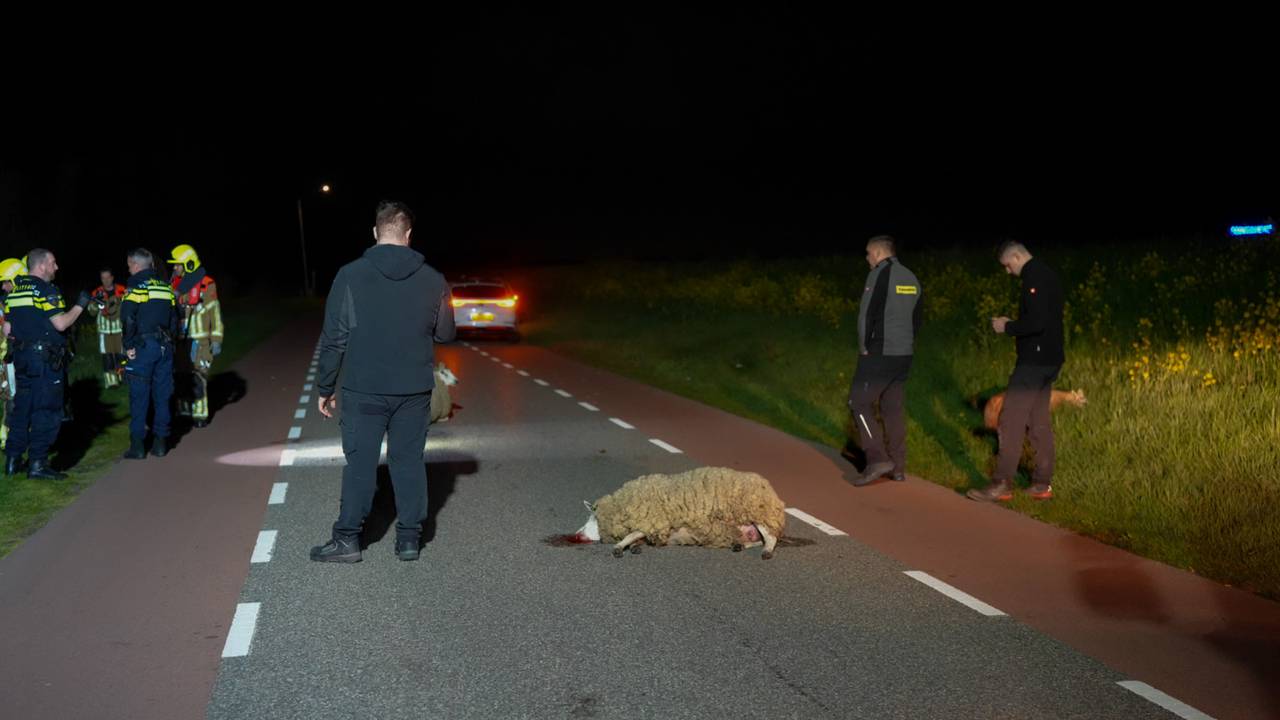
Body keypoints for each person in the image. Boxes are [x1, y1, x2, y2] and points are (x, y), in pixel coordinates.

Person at [309, 200, 456, 563]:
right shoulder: (434, 279)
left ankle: (347, 540)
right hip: (413, 390)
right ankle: (409, 540)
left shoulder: (350, 275)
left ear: (375, 233)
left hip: (364, 389)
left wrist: (325, 388)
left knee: (360, 465)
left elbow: (334, 338)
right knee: (408, 462)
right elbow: (446, 334)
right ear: (408, 235)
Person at [968, 239, 1065, 502]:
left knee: (1009, 421)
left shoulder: (1034, 276)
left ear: (1016, 257)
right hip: (1050, 361)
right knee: (1038, 421)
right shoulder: (1049, 273)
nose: (1007, 272)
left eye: (1007, 266)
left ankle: (1002, 483)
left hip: (1033, 363)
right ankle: (1041, 484)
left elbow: (1036, 322)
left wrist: (1007, 326)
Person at [2, 249, 91, 479]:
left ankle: (12, 461)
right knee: (47, 411)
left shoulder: (13, 292)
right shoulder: (47, 289)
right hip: (44, 361)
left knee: (22, 410)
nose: (56, 267)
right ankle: (38, 464)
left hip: (22, 359)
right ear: (41, 266)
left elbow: (8, 330)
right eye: (53, 262)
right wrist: (80, 306)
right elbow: (61, 324)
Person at [847, 235, 923, 486]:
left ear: (879, 253)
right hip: (904, 355)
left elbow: (866, 315)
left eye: (868, 253)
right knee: (893, 408)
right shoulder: (911, 277)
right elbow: (916, 320)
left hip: (879, 353)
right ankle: (898, 467)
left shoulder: (879, 273)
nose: (867, 258)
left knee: (858, 402)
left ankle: (877, 459)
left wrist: (864, 347)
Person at [120, 249, 179, 459]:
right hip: (165, 347)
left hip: (143, 347)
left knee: (139, 396)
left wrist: (128, 345)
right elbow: (174, 319)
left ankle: (137, 447)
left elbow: (127, 317)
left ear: (135, 265)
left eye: (129, 265)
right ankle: (161, 444)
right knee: (162, 396)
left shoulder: (135, 286)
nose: (129, 269)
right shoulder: (165, 287)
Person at [168, 244, 224, 428]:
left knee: (198, 378)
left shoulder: (207, 284)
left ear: (189, 264)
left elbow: (215, 313)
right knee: (180, 377)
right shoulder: (173, 286)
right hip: (180, 341)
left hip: (200, 341)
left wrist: (216, 340)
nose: (174, 268)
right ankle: (184, 412)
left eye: (177, 264)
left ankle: (200, 415)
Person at [0, 257, 28, 453]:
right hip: (8, 360)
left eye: (5, 281)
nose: (3, 286)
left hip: (21, 358)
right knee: (13, 400)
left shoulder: (20, 300)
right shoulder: (5, 303)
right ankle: (9, 442)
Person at [89, 267, 128, 388]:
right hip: (104, 331)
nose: (105, 280)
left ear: (112, 277)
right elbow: (91, 312)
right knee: (107, 358)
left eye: (108, 277)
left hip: (120, 329)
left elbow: (129, 308)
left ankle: (124, 379)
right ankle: (112, 382)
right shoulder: (96, 292)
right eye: (103, 278)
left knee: (121, 356)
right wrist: (96, 304)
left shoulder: (122, 290)